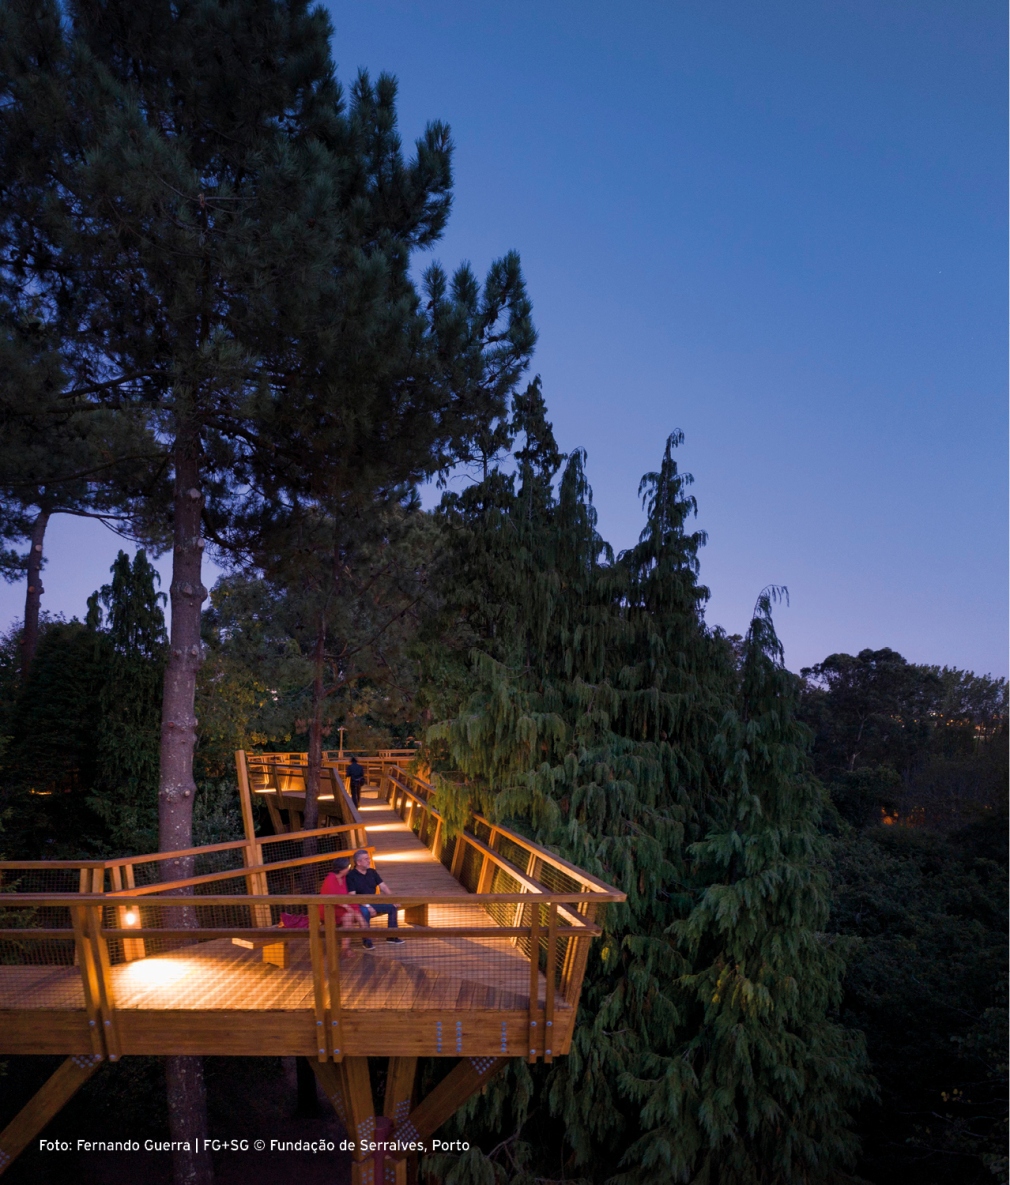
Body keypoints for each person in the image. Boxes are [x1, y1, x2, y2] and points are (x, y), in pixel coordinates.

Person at [345, 848, 404, 948]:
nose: (369, 860)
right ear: (358, 862)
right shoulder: (351, 876)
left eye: (368, 858)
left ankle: (392, 936)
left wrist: (393, 899)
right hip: (359, 904)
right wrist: (367, 906)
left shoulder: (372, 872)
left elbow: (383, 887)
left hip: (373, 901)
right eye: (366, 859)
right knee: (365, 912)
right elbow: (353, 896)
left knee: (392, 907)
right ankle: (366, 940)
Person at [318, 857, 365, 954]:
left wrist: (355, 911)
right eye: (348, 867)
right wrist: (349, 908)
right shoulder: (330, 879)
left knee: (350, 915)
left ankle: (345, 947)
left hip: (340, 907)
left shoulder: (343, 878)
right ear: (341, 869)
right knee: (349, 915)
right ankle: (346, 948)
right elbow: (332, 898)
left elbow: (347, 896)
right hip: (329, 908)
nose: (349, 868)